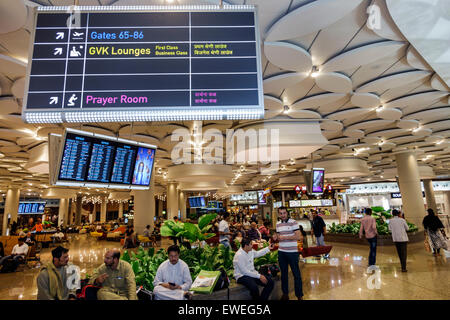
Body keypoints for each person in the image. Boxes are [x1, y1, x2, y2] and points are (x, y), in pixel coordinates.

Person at [274, 207, 303, 300]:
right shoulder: (278, 224)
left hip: (292, 252)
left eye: (284, 213)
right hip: (281, 252)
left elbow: (298, 236)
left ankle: (299, 295)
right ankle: (285, 294)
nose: (283, 215)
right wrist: (276, 237)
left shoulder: (293, 222)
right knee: (284, 274)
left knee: (296, 274)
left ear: (287, 213)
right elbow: (279, 236)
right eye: (281, 213)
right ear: (279, 214)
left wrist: (284, 238)